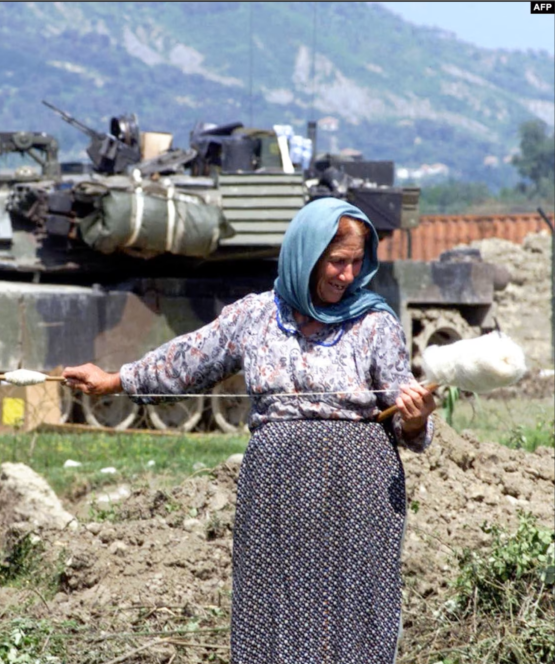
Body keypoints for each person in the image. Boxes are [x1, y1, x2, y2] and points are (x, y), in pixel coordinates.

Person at [63, 197, 436, 664]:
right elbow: (188, 361)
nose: (348, 274)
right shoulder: (256, 316)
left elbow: (404, 411)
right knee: (274, 603)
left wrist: (416, 414)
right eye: (338, 262)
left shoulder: (375, 323)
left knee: (352, 606)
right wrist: (115, 380)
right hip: (275, 491)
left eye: (357, 262)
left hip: (356, 494)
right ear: (307, 256)